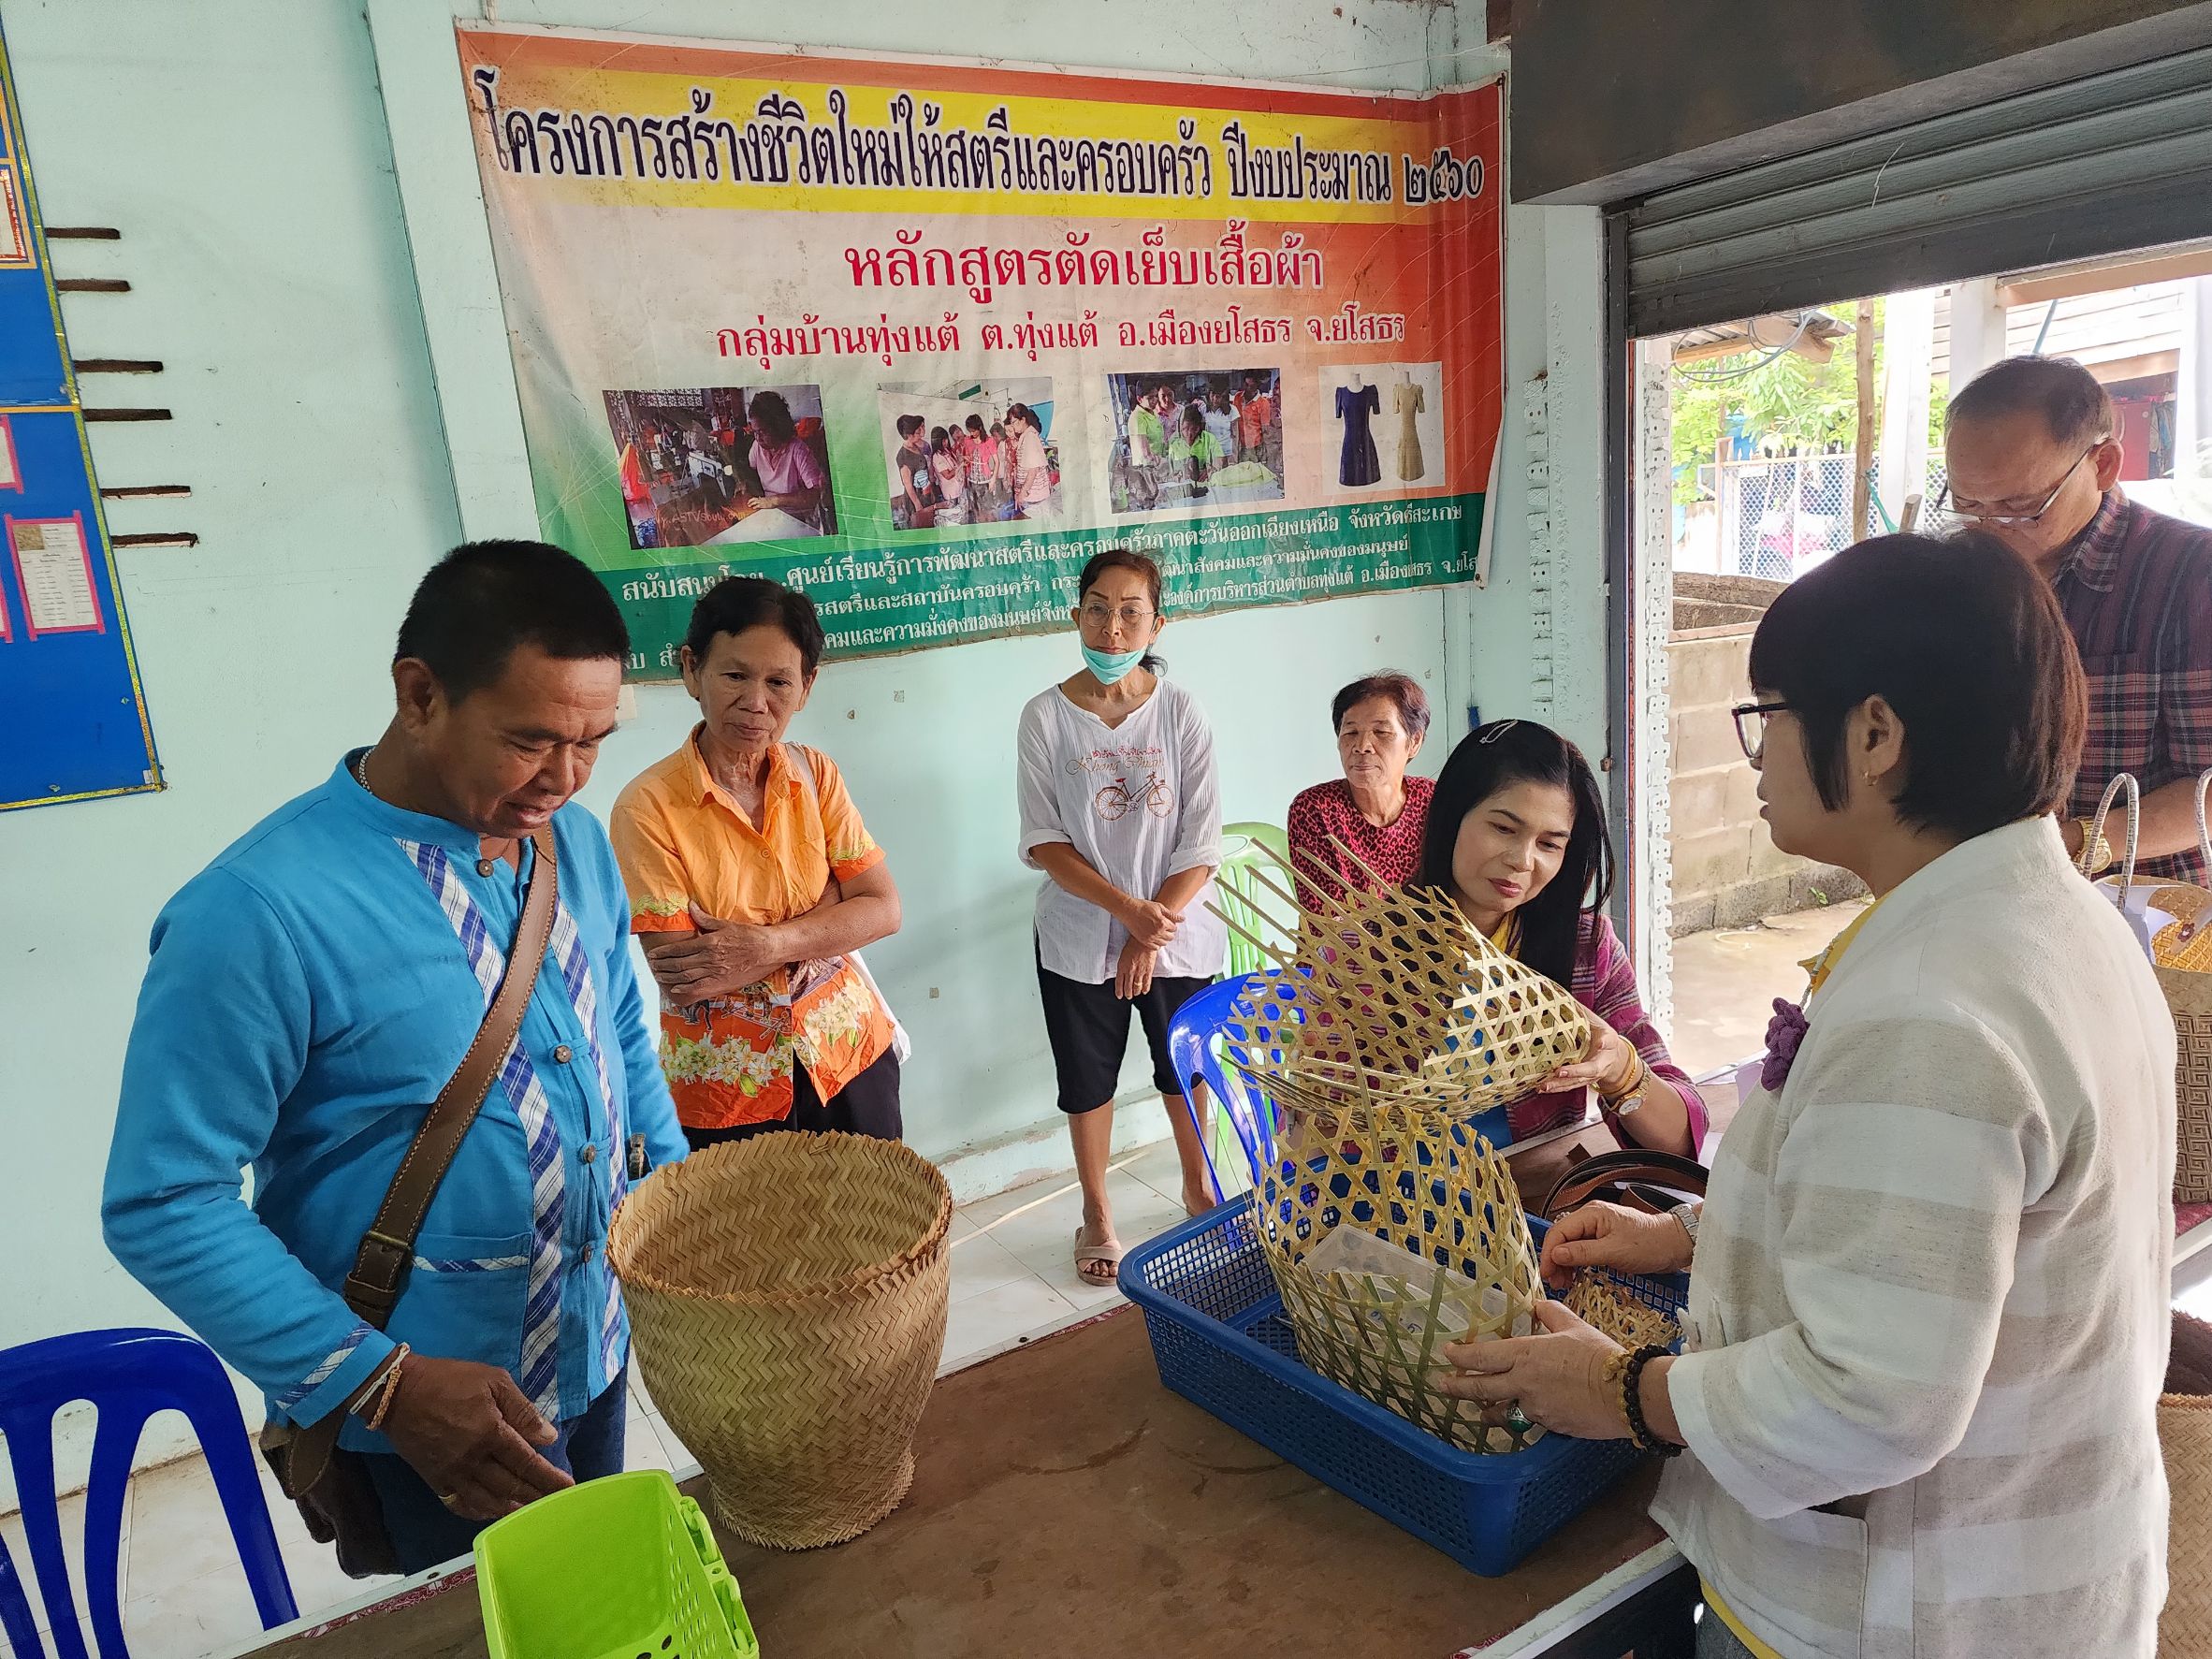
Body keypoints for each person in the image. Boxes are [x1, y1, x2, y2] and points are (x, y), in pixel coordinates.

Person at [1437, 532, 2174, 1658]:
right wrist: (1685, 1237)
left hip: (1899, 1614)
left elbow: (1872, 1399)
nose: (1757, 755)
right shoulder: (2056, 924)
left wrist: (1622, 1388)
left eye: (1769, 714)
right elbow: (1926, 1229)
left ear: (1874, 735)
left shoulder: (1933, 1006)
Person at [102, 541, 688, 1573]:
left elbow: (620, 1028)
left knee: (590, 1605)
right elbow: (164, 1199)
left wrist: (676, 1203)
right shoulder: (255, 914)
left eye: (592, 740)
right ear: (419, 695)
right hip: (422, 1415)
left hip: (589, 1357)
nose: (566, 777)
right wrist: (383, 1384)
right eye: (531, 741)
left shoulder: (576, 845)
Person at [610, 576, 904, 1148]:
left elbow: (885, 908)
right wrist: (827, 918)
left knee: (879, 1222)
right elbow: (688, 975)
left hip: (847, 1049)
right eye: (735, 675)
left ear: (807, 686)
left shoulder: (815, 774)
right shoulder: (647, 806)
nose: (756, 702)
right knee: (757, 1236)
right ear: (692, 670)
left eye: (778, 682)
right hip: (728, 1087)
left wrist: (766, 945)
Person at [1018, 548, 1223, 1283]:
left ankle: (1198, 1184)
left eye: (1131, 610)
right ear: (1075, 615)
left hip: (1180, 928)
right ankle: (1097, 1210)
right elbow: (1045, 841)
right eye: (1098, 608)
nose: (1112, 627)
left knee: (1184, 1067)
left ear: (1157, 622)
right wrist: (1128, 915)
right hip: (1080, 934)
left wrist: (1152, 924)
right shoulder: (1046, 718)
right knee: (1087, 1078)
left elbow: (1201, 840)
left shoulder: (1182, 710)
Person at [1943, 353, 2212, 881]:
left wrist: (2074, 845)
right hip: (1982, 893)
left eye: (2021, 506)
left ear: (2104, 465)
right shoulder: (1959, 576)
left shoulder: (2192, 577)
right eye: (1966, 503)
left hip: (2149, 915)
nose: (1989, 528)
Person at [1416, 720, 1703, 1157]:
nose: (1521, 861)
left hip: (1537, 1203)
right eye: (1503, 828)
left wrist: (1622, 1069)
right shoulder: (1365, 950)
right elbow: (1323, 1134)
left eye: (1549, 844)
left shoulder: (1587, 951)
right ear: (1452, 817)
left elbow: (1682, 1140)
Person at [1286, 673, 1433, 907]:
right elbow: (1325, 920)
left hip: (1432, 941)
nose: (1362, 747)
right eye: (1350, 733)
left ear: (1414, 742)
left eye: (1381, 733)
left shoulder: (1432, 800)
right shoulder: (1315, 809)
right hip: (1346, 942)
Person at [739, 390, 825, 531]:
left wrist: (775, 500)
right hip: (771, 517)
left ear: (778, 427)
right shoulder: (757, 447)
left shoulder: (798, 450)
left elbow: (815, 495)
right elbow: (751, 473)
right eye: (755, 432)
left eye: (763, 431)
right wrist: (745, 485)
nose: (758, 438)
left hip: (800, 521)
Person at [1005, 402, 1054, 519]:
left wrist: (1023, 492)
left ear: (1023, 420)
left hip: (1034, 496)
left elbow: (1033, 470)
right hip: (1031, 494)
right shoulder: (1026, 436)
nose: (1013, 426)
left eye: (1014, 423)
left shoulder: (1030, 438)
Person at [893, 413, 939, 531]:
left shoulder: (916, 447)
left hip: (926, 494)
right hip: (916, 499)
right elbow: (908, 485)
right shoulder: (903, 456)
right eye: (917, 433)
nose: (920, 435)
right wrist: (918, 505)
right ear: (908, 435)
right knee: (921, 528)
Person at [1169, 400, 1225, 489]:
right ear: (1180, 427)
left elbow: (1220, 461)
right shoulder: (1174, 443)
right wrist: (1177, 475)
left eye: (1194, 429)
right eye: (1185, 428)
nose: (1190, 433)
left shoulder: (1209, 439)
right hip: (1184, 490)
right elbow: (1170, 470)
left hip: (1207, 487)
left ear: (1200, 427)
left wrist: (1210, 470)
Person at [928, 425, 968, 526]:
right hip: (950, 493)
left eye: (946, 439)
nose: (946, 442)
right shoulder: (937, 457)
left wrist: (961, 459)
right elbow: (948, 475)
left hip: (959, 488)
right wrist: (960, 466)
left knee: (961, 515)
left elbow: (956, 464)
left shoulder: (947, 451)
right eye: (943, 440)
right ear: (937, 442)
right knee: (953, 518)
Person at [963, 412, 998, 519]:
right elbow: (966, 457)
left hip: (985, 481)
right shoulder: (967, 440)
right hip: (972, 480)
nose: (972, 433)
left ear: (980, 427)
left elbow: (997, 462)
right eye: (970, 431)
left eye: (974, 431)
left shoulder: (989, 441)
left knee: (988, 509)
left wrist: (993, 479)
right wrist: (966, 459)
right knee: (975, 509)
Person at [1235, 373, 1275, 467]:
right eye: (1246, 384)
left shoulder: (1263, 403)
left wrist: (1264, 453)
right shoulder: (1238, 397)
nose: (1247, 388)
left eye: (1251, 386)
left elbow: (1265, 430)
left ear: (1257, 386)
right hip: (1238, 445)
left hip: (1254, 446)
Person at [1203, 387, 1240, 467]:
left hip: (1228, 453)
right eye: (1212, 395)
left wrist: (1235, 457)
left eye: (1218, 396)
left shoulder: (1232, 410)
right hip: (1211, 453)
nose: (1215, 399)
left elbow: (1235, 436)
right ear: (1208, 395)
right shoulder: (1203, 410)